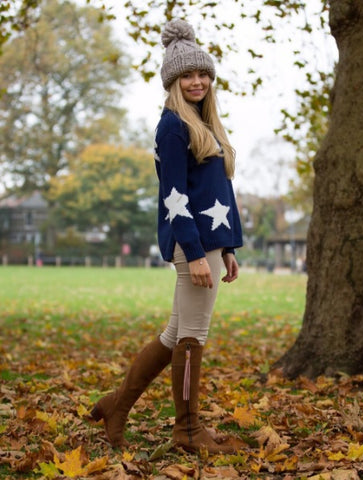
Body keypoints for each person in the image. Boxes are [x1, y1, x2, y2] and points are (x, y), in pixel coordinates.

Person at [91, 18, 243, 454]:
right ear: (173, 82)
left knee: (175, 336)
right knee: (194, 338)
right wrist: (196, 253)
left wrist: (227, 247)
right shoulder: (173, 126)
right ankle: (188, 431)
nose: (197, 81)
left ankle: (117, 406)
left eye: (202, 74)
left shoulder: (203, 121)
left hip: (210, 244)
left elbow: (216, 192)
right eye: (187, 76)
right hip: (192, 243)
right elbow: (175, 198)